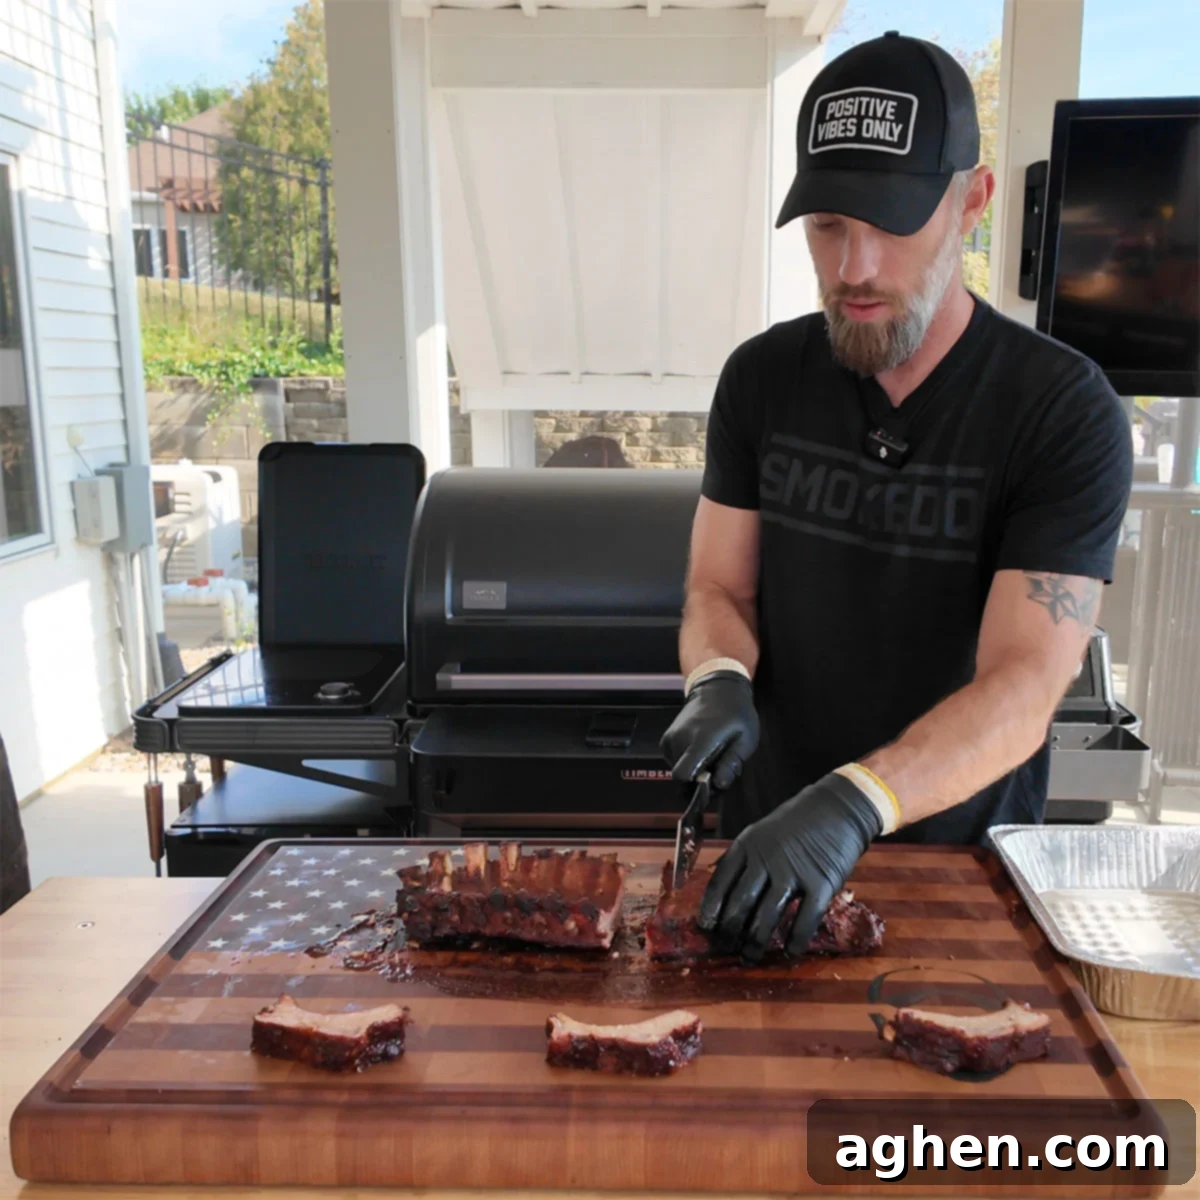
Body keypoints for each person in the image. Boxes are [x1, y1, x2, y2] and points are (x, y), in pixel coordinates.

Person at [660, 31, 1133, 964]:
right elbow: (719, 589)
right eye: (829, 225)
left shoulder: (1062, 411)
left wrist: (853, 803)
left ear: (974, 200)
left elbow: (1025, 684)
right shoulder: (761, 379)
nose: (855, 268)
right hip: (762, 864)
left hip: (960, 876)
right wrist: (717, 678)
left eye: (893, 222)